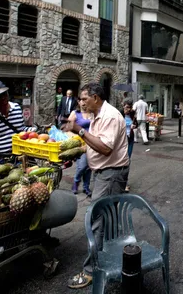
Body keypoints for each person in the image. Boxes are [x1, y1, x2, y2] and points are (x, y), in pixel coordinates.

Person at [66, 83, 130, 290]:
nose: (80, 103)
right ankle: (114, 258)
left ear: (95, 97)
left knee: (97, 220)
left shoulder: (110, 116)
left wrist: (79, 131)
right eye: (79, 99)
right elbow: (95, 144)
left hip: (110, 174)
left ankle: (91, 270)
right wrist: (74, 152)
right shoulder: (97, 114)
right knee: (106, 219)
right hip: (103, 173)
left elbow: (104, 148)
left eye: (84, 99)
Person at [0, 80, 36, 173]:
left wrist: (35, 131)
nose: (3, 97)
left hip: (19, 157)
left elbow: (20, 130)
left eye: (4, 93)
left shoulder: (16, 107)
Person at [67, 100, 94, 196]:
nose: (83, 102)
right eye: (81, 100)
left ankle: (86, 187)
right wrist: (76, 139)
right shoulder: (75, 113)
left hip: (92, 143)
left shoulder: (92, 113)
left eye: (85, 100)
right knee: (82, 165)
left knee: (89, 167)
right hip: (80, 144)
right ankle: (76, 181)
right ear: (78, 102)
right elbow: (68, 129)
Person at [121, 99, 138, 193]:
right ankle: (121, 182)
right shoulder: (119, 113)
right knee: (122, 160)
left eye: (129, 107)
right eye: (126, 107)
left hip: (130, 138)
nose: (128, 109)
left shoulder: (132, 113)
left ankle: (125, 182)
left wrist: (134, 125)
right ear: (123, 105)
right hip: (122, 139)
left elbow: (136, 123)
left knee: (128, 160)